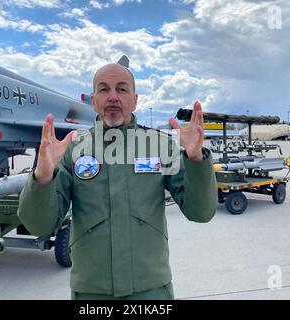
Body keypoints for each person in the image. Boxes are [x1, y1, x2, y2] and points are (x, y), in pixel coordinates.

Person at [17, 62, 218, 300]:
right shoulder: (73, 149)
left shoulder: (160, 146)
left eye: (122, 89)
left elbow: (201, 212)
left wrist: (196, 161)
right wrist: (42, 178)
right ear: (93, 101)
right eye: (104, 90)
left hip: (151, 289)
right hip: (92, 291)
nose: (113, 97)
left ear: (135, 99)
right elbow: (39, 226)